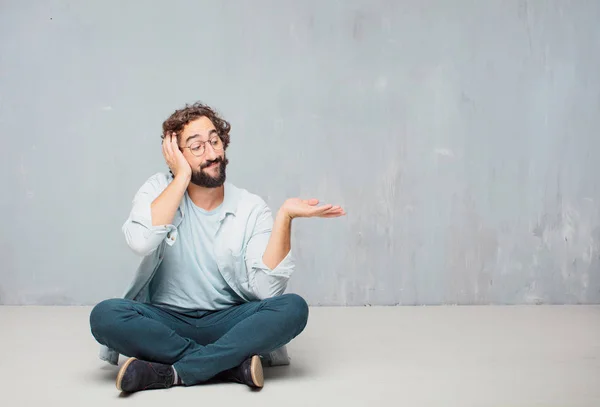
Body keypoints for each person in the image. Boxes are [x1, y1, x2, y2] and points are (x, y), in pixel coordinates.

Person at [89, 102, 345, 393]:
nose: (212, 154)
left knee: (293, 308)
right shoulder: (158, 190)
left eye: (214, 141)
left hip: (229, 320)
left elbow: (266, 292)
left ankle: (173, 373)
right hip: (167, 321)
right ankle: (230, 365)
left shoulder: (250, 208)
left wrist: (284, 217)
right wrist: (182, 177)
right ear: (176, 155)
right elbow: (141, 241)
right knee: (105, 316)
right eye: (196, 147)